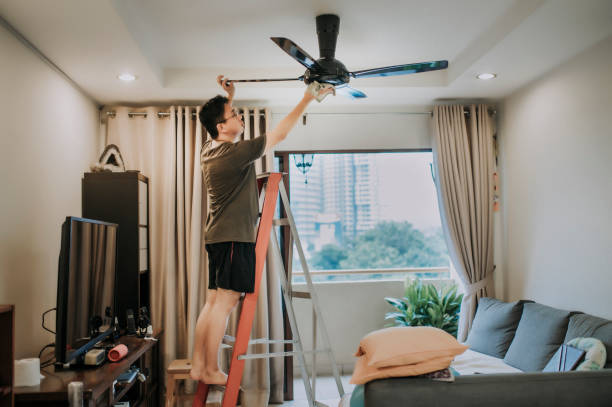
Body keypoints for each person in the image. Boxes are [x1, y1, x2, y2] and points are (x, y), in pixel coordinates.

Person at [190, 75, 334, 384]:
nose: (239, 117)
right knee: (225, 303)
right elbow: (278, 134)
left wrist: (230, 95)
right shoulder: (232, 154)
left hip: (217, 236)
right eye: (234, 115)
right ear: (221, 127)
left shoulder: (209, 150)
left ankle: (198, 366)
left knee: (213, 301)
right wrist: (307, 98)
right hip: (232, 238)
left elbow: (227, 120)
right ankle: (210, 369)